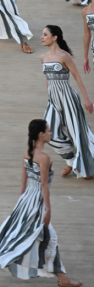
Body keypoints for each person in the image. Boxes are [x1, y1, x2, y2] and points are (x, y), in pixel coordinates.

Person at [0, 120, 82, 287]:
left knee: (26, 235)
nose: (51, 134)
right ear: (41, 135)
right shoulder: (45, 157)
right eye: (49, 131)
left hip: (27, 199)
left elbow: (23, 180)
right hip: (37, 201)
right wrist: (48, 209)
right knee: (46, 237)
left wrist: (21, 204)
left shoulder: (27, 153)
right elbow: (44, 186)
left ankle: (61, 276)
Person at [40, 25, 94, 180]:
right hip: (53, 99)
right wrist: (49, 97)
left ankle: (85, 164)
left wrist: (87, 99)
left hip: (69, 98)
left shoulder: (64, 56)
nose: (42, 37)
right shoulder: (43, 57)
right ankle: (71, 160)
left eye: (45, 34)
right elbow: (47, 80)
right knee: (49, 133)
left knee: (77, 133)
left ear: (54, 37)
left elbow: (77, 77)